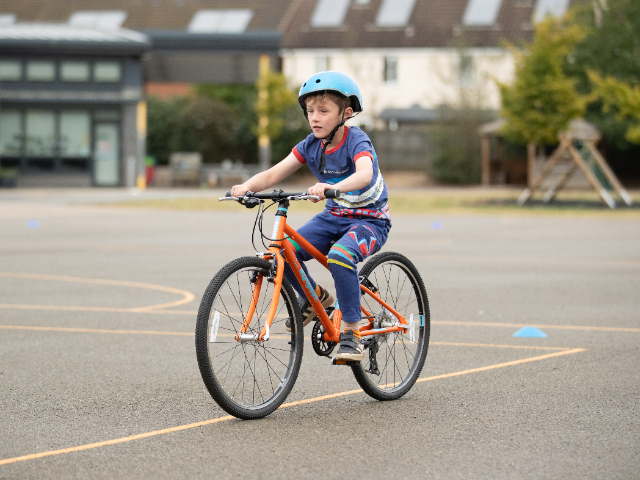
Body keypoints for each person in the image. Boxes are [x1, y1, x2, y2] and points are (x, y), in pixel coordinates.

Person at [230, 71, 391, 363]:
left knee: (340, 256)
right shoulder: (310, 145)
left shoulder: (357, 140)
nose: (314, 118)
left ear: (346, 113)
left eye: (323, 111)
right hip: (333, 217)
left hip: (370, 220)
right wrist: (246, 187)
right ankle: (314, 297)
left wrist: (331, 188)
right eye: (310, 111)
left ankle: (352, 332)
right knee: (284, 252)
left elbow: (365, 174)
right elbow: (273, 174)